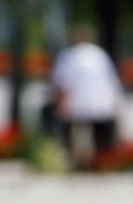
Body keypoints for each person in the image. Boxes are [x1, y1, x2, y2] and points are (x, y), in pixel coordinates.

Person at [49, 25, 123, 169]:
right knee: (100, 136)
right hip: (102, 104)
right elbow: (112, 81)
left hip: (76, 104)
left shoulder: (69, 56)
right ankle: (100, 162)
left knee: (71, 133)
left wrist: (58, 105)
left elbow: (61, 83)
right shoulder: (100, 55)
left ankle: (74, 160)